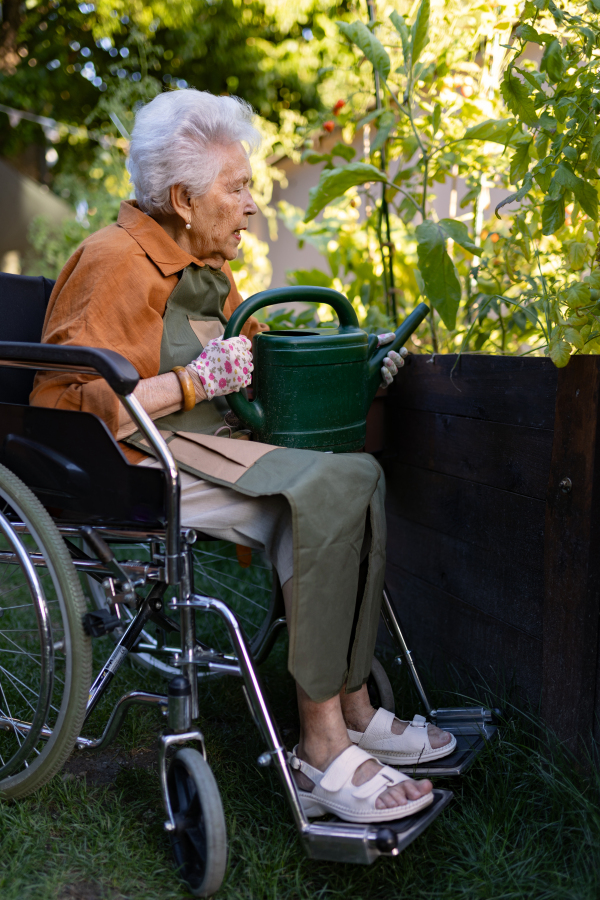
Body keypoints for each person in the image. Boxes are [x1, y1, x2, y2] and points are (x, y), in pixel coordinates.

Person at [31, 89, 455, 824]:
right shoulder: (112, 262)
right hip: (134, 465)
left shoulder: (210, 274)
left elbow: (252, 368)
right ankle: (322, 746)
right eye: (238, 187)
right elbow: (70, 407)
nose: (252, 204)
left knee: (358, 476)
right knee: (322, 493)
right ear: (183, 199)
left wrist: (360, 364)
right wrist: (194, 381)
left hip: (209, 446)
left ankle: (351, 704)